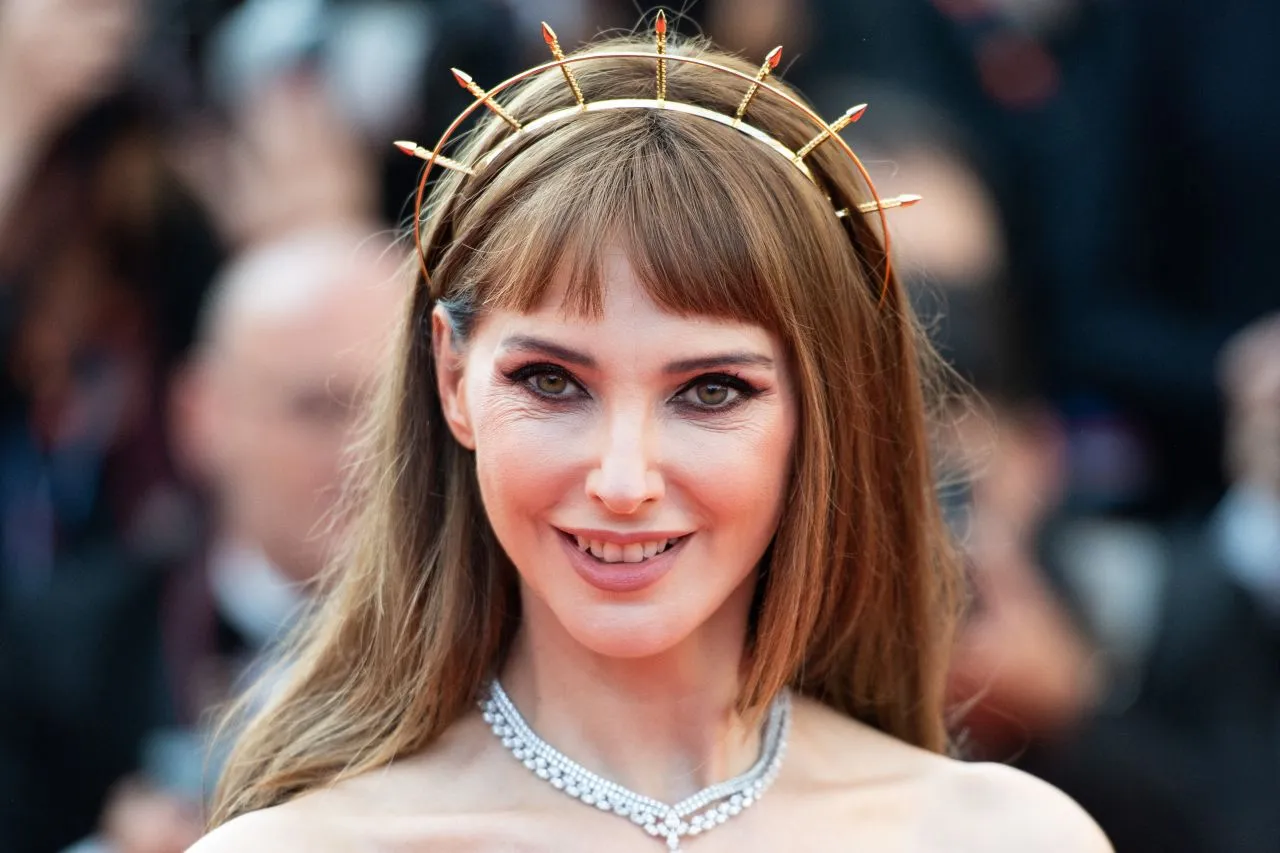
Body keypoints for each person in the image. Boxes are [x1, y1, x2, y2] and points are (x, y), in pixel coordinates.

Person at [192, 22, 1112, 851]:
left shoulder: (1002, 835)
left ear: (823, 408)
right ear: (451, 378)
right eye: (550, 382)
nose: (623, 478)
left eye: (710, 391)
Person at [0, 224, 406, 853]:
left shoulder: (512, 642)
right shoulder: (63, 646)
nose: (368, 453)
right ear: (201, 416)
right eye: (320, 408)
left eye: (401, 410)